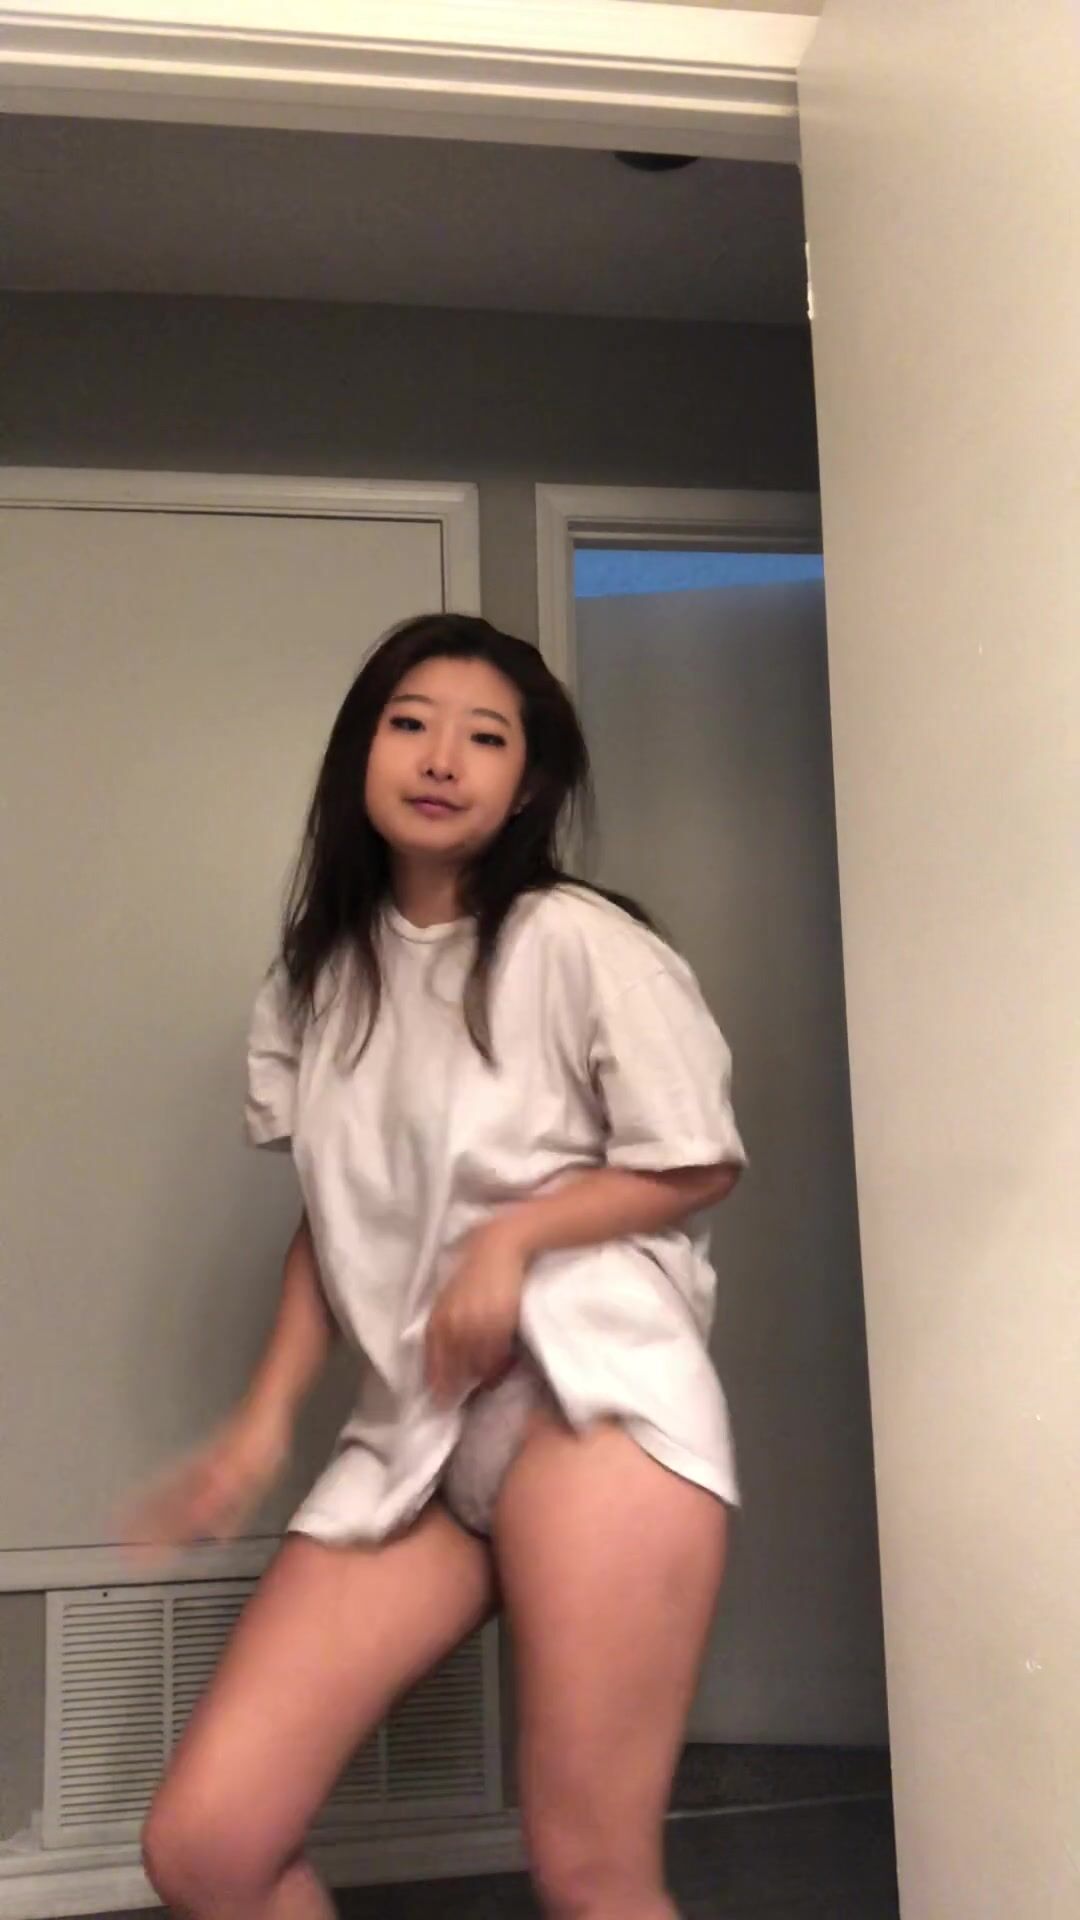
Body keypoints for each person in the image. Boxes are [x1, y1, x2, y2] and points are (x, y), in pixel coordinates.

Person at [125, 611, 748, 1920]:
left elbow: (696, 1160)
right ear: (362, 750)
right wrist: (260, 1423)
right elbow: (334, 1218)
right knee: (207, 1846)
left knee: (590, 1874)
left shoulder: (577, 939)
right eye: (410, 723)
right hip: (416, 1432)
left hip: (592, 1405)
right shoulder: (315, 980)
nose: (441, 758)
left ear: (527, 785)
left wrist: (512, 1237)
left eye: (486, 737)